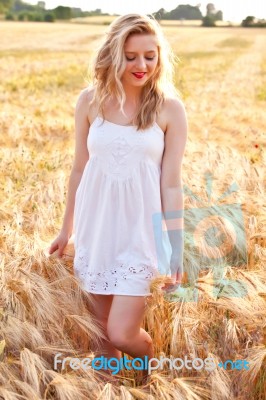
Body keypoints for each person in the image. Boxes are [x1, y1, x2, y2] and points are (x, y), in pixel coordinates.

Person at [48, 13, 188, 385]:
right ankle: (111, 392)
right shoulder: (90, 101)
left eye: (150, 55)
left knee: (122, 335)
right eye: (130, 56)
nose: (141, 65)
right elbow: (79, 170)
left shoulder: (169, 109)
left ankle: (148, 375)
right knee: (102, 343)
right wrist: (67, 231)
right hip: (96, 232)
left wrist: (177, 247)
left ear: (159, 57)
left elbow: (171, 184)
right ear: (113, 55)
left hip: (140, 236)